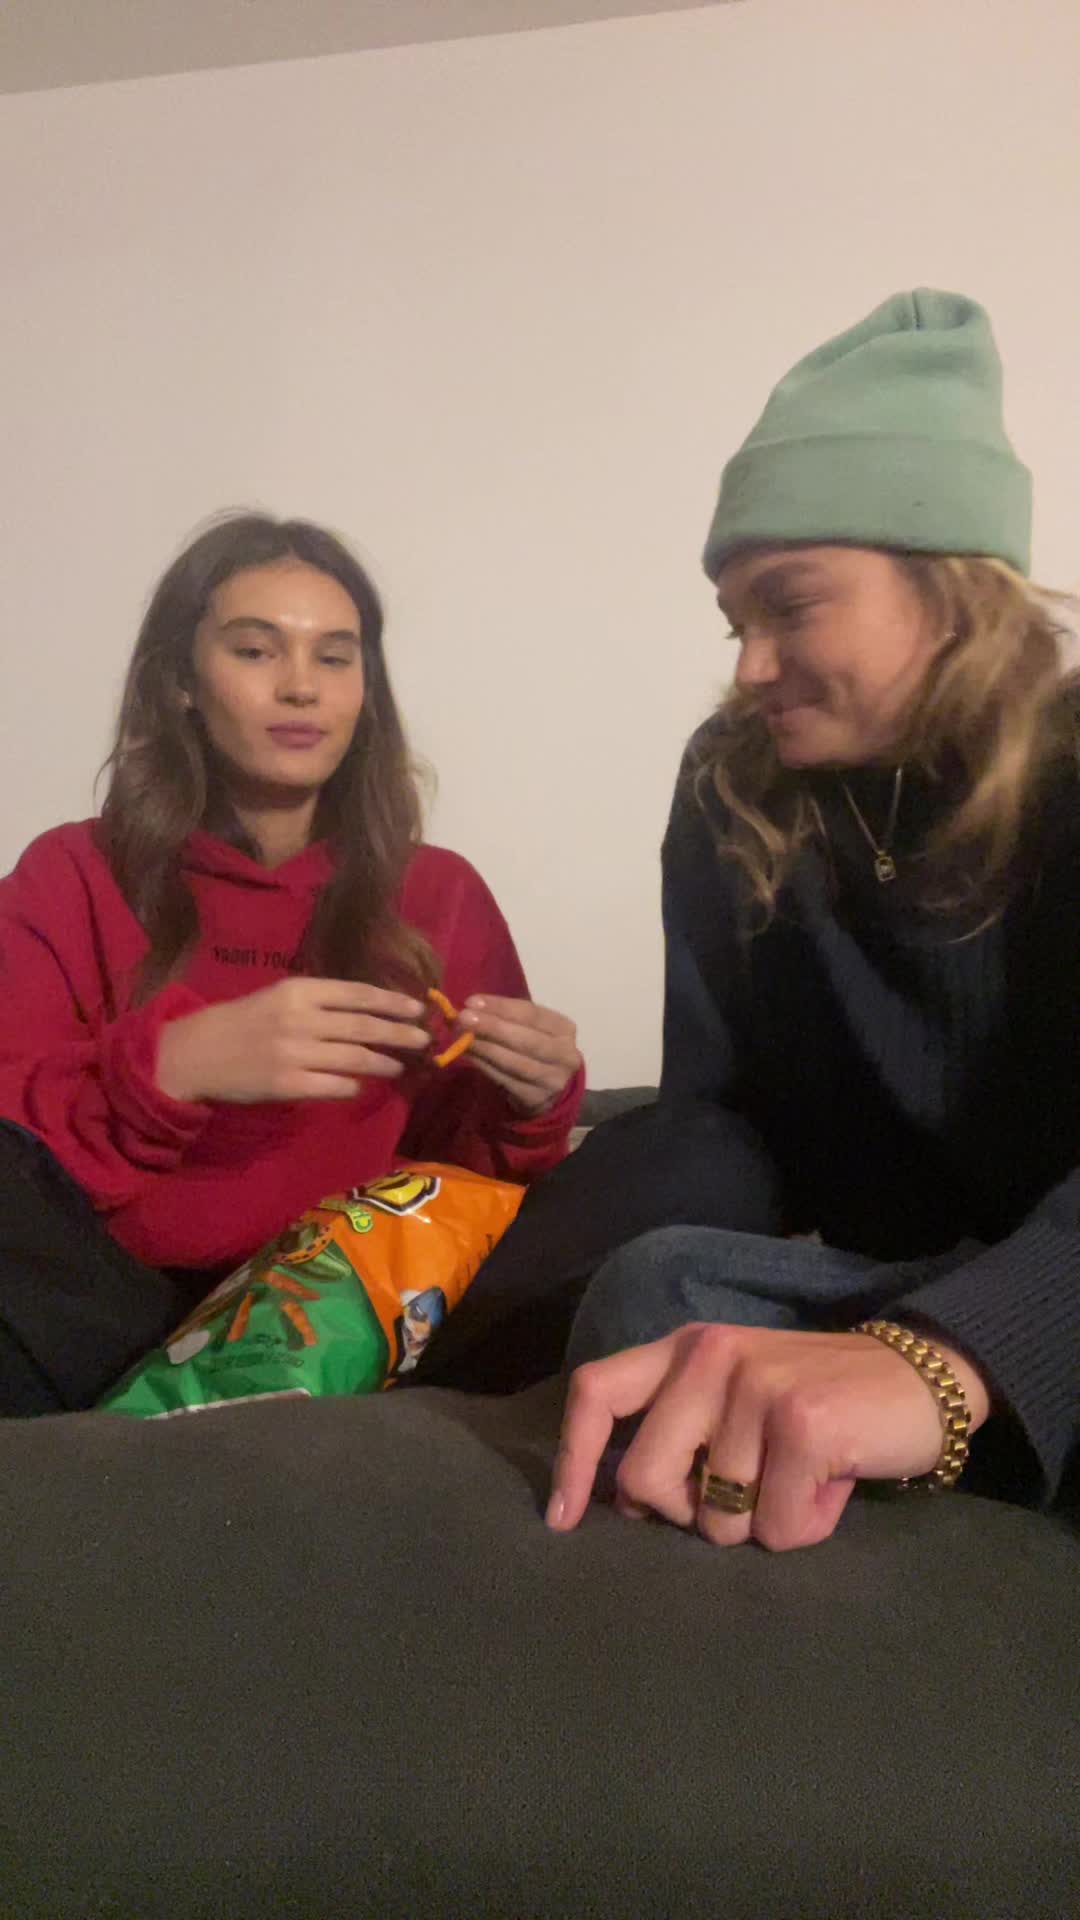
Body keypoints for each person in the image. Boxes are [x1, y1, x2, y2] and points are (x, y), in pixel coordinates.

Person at [546, 289, 1079, 1550]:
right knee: (660, 1277)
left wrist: (949, 1361)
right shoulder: (726, 786)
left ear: (950, 588)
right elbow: (714, 1118)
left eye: (789, 607)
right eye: (736, 623)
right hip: (869, 1285)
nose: (748, 666)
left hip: (1051, 1287)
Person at [0, 513, 582, 1414]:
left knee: (673, 1157)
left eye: (335, 657)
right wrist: (175, 1066)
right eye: (255, 650)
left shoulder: (439, 892)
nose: (302, 687)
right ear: (181, 681)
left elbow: (465, 1188)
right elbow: (16, 1150)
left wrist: (533, 1101)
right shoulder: (70, 872)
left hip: (357, 1314)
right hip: (109, 1314)